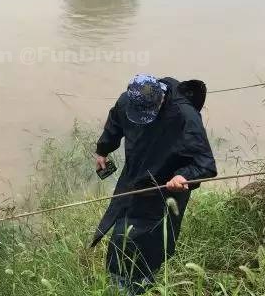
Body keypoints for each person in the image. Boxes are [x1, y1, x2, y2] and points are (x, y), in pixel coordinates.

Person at [91, 74, 217, 295]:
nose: (142, 119)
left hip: (166, 187)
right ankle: (119, 283)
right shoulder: (127, 100)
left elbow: (205, 164)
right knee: (121, 233)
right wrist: (103, 149)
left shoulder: (185, 115)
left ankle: (140, 286)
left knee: (149, 241)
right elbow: (116, 121)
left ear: (161, 98)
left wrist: (184, 176)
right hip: (134, 178)